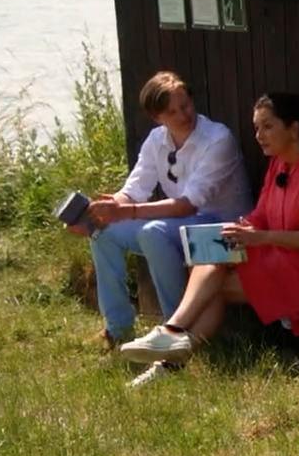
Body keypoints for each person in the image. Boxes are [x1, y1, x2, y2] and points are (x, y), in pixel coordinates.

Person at [120, 92, 299, 384]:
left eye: (268, 127)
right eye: (256, 128)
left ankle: (170, 345)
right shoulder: (279, 165)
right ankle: (171, 346)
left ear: (294, 129)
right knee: (214, 249)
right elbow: (261, 213)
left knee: (215, 282)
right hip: (283, 255)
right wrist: (239, 229)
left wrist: (260, 237)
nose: (259, 135)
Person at [85, 71, 252, 347]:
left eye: (185, 105)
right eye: (172, 112)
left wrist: (129, 212)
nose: (184, 115)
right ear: (157, 118)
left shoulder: (218, 139)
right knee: (103, 232)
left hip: (226, 231)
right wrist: (104, 210)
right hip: (184, 224)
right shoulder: (156, 140)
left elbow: (187, 204)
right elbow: (135, 189)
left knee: (154, 233)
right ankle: (117, 328)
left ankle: (174, 330)